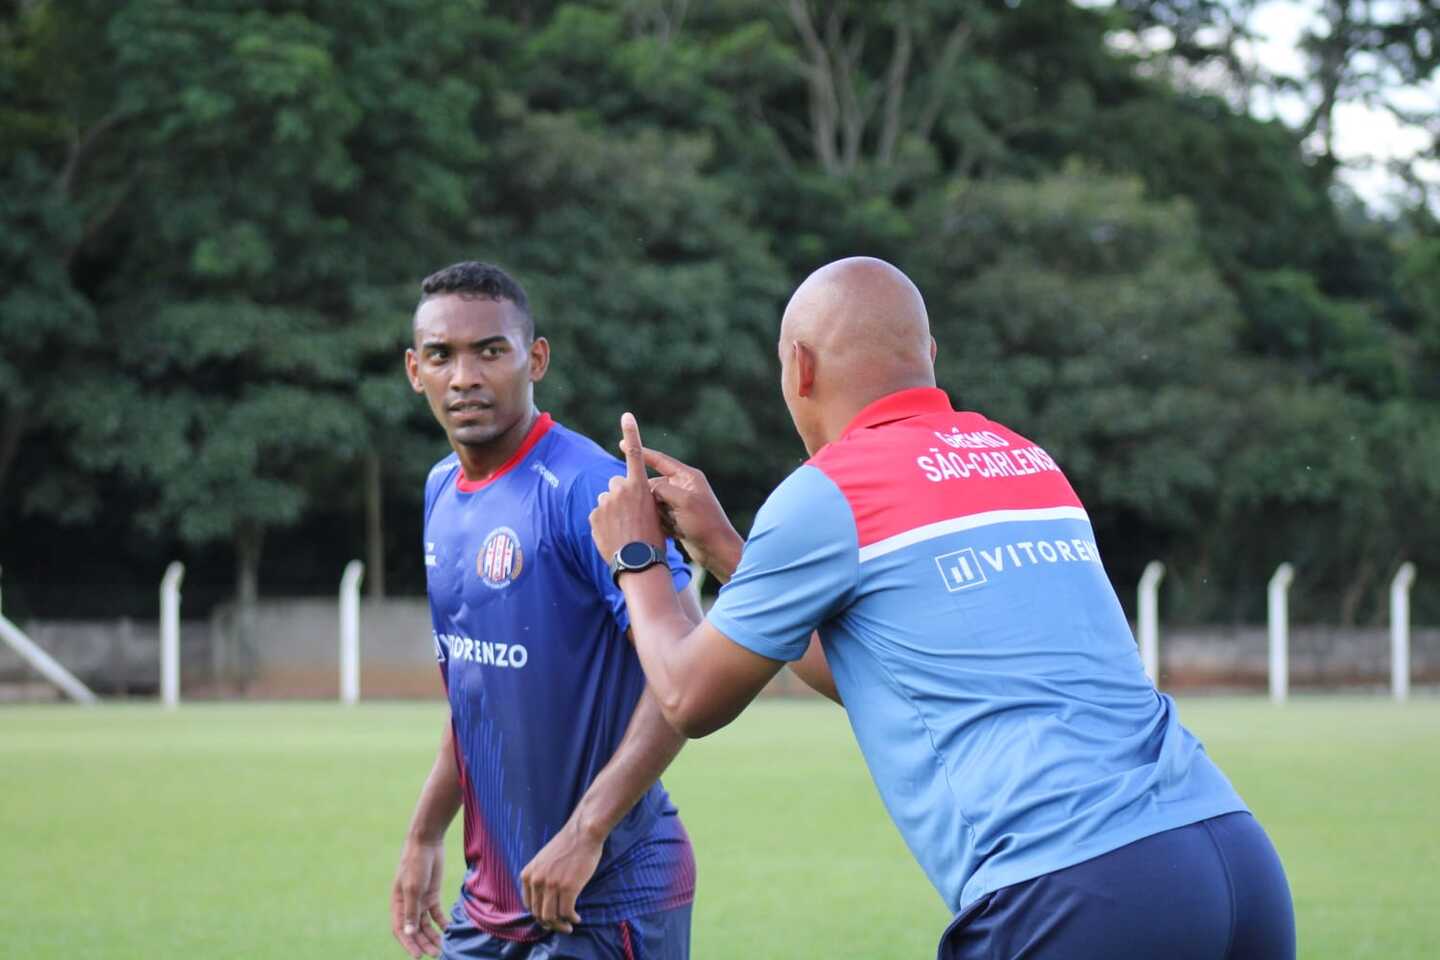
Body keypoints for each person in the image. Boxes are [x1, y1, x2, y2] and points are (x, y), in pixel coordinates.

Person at [587, 257, 1296, 959]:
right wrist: (728, 551)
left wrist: (638, 558)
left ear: (798, 367)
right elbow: (881, 676)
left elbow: (687, 698)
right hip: (1235, 861)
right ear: (928, 355)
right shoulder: (1024, 460)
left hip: (1074, 886)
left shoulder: (828, 489)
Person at [391, 261, 701, 960]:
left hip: (609, 892)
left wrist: (587, 829)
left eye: (489, 351)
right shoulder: (441, 489)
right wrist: (423, 833)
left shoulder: (586, 487)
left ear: (535, 359)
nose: (464, 376)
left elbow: (687, 665)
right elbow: (477, 690)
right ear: (416, 371)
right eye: (442, 355)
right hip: (494, 899)